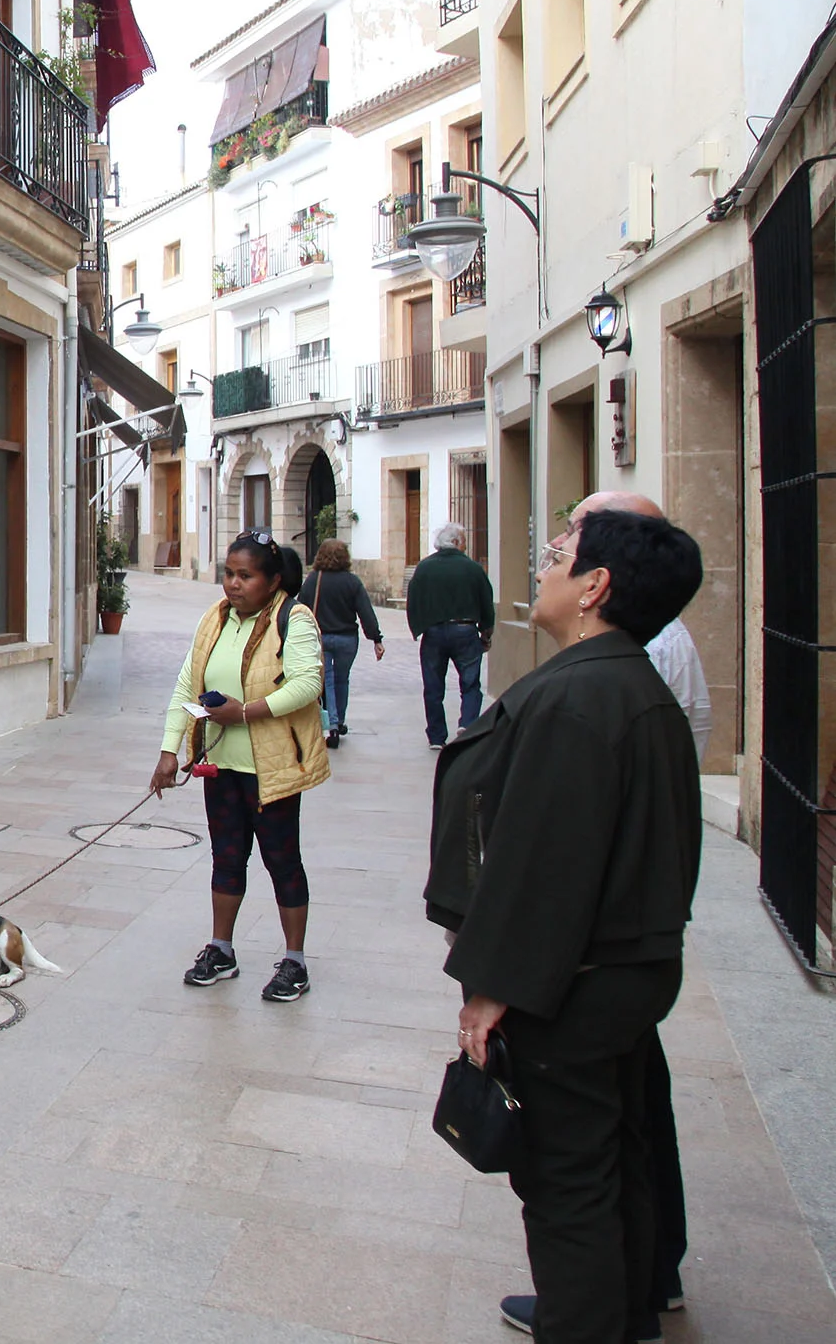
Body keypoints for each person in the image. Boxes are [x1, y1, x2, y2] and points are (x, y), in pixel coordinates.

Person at [425, 509, 705, 1344]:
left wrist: (492, 989)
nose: (542, 566)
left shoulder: (582, 698)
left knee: (567, 1186)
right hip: (622, 976)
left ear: (596, 586)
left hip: (572, 991)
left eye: (558, 554)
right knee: (613, 1158)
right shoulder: (625, 686)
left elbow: (544, 865)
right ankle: (628, 1316)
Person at [149, 530, 329, 1001]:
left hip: (272, 769)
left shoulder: (295, 619)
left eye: (245, 576)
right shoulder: (215, 619)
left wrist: (245, 712)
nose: (233, 584)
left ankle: (295, 961)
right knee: (227, 858)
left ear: (272, 581)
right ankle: (221, 949)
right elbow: (187, 683)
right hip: (223, 766)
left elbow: (308, 683)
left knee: (282, 861)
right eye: (229, 574)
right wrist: (170, 751)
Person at [406, 522, 495, 749]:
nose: (465, 544)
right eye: (463, 540)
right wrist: (486, 631)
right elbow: (486, 601)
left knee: (433, 686)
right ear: (456, 543)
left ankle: (436, 736)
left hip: (433, 632)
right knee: (470, 683)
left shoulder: (424, 568)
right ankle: (468, 723)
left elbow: (413, 599)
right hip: (465, 631)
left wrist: (417, 628)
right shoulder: (472, 568)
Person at [305, 539, 384, 749]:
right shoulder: (352, 582)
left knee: (326, 681)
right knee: (342, 679)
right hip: (347, 639)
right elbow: (365, 612)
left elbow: (301, 609)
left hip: (321, 638)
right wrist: (375, 638)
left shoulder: (314, 579)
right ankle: (338, 721)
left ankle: (330, 724)